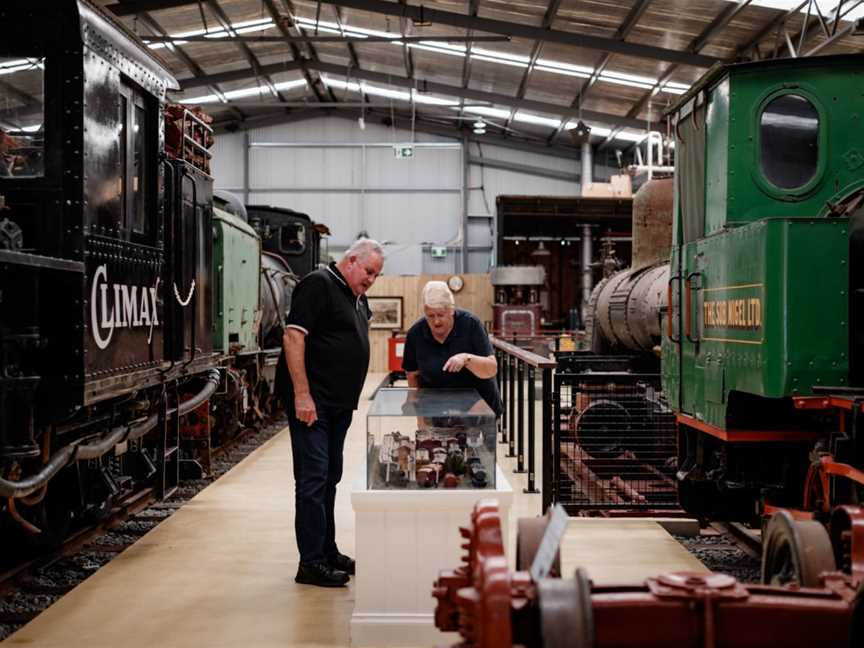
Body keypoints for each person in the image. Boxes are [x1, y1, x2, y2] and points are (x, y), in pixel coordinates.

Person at [278, 238, 384, 588]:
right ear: (351, 260)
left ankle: (326, 550)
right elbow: (294, 338)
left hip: (337, 406)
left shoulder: (356, 297)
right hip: (315, 404)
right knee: (312, 479)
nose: (371, 279)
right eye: (369, 271)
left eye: (376, 275)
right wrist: (302, 395)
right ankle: (309, 562)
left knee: (330, 477)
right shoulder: (318, 284)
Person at [402, 281, 502, 416]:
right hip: (437, 408)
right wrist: (419, 414)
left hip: (478, 408)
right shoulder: (415, 333)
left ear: (451, 310)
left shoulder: (471, 325)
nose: (436, 322)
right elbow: (412, 374)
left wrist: (466, 358)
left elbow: (491, 369)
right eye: (430, 316)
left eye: (441, 315)